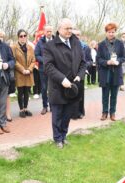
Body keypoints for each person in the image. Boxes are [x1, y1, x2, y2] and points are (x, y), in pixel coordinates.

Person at [43, 18, 86, 149]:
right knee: (57, 115)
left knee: (67, 114)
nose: (69, 31)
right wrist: (62, 79)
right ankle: (57, 139)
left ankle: (64, 136)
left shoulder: (76, 42)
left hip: (73, 87)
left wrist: (79, 75)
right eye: (66, 28)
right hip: (58, 87)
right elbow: (48, 66)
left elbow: (83, 62)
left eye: (71, 28)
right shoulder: (50, 46)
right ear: (59, 29)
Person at [97, 23, 125, 121]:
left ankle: (112, 113)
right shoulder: (101, 45)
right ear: (106, 33)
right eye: (109, 32)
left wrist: (118, 61)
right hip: (105, 73)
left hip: (116, 73)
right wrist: (107, 62)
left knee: (114, 95)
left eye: (113, 32)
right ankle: (104, 112)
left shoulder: (120, 43)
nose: (111, 34)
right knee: (105, 95)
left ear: (115, 32)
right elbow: (98, 59)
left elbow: (124, 57)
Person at [11, 29, 35, 118]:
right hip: (19, 73)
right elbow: (14, 60)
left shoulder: (30, 47)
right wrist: (22, 70)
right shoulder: (14, 47)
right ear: (18, 37)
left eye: (25, 35)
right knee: (20, 92)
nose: (23, 37)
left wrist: (29, 69)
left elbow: (33, 60)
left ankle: (26, 108)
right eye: (21, 36)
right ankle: (21, 109)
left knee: (27, 92)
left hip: (29, 73)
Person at [35, 24, 54, 115]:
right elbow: (37, 55)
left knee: (53, 88)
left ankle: (53, 106)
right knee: (44, 88)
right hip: (43, 69)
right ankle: (45, 106)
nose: (49, 33)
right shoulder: (40, 42)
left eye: (50, 31)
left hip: (54, 69)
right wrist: (45, 61)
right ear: (44, 32)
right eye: (47, 31)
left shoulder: (56, 40)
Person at [0, 29, 15, 122]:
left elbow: (12, 60)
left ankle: (7, 114)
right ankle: (0, 114)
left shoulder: (6, 47)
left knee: (7, 95)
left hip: (6, 74)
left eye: (1, 36)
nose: (0, 38)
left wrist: (7, 64)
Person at [72, 28, 88, 119]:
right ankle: (73, 113)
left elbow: (88, 60)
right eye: (75, 35)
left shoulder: (84, 46)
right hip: (71, 74)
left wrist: (85, 68)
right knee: (72, 94)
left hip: (81, 73)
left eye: (78, 35)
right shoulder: (68, 46)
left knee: (80, 94)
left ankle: (80, 112)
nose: (76, 37)